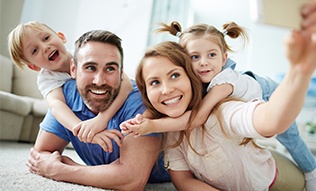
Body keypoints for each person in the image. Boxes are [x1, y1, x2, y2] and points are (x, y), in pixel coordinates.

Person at [120, 1, 316, 189]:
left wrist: (298, 72)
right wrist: (138, 120)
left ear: (224, 58)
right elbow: (128, 86)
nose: (203, 63)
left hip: (271, 97)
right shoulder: (178, 114)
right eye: (195, 57)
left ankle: (312, 171)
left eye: (174, 76)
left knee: (292, 139)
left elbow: (202, 118)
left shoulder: (223, 88)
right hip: (257, 153)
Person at [25, 30, 170, 190]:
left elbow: (132, 180)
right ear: (73, 69)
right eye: (90, 67)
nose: (99, 81)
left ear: (121, 72)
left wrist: (62, 170)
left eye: (110, 69)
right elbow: (39, 155)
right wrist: (109, 173)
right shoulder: (64, 98)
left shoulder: (139, 102)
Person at [7, 21, 132, 145]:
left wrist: (102, 119)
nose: (45, 47)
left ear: (61, 37)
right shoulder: (47, 78)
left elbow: (126, 83)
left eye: (46, 38)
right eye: (35, 50)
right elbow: (57, 105)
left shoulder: (83, 54)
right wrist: (83, 130)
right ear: (34, 66)